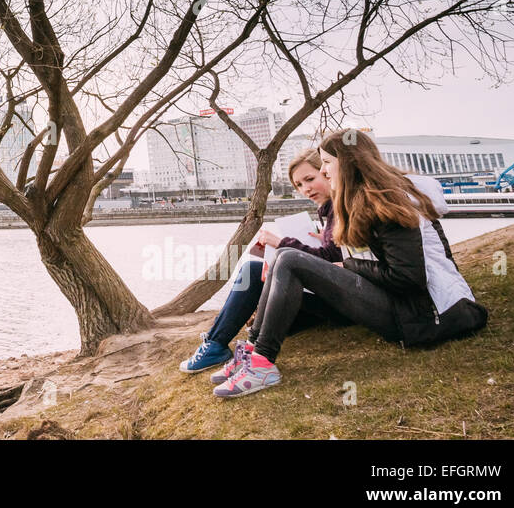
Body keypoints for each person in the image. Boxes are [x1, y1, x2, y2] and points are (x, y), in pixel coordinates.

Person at [213, 129, 488, 398]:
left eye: (327, 164)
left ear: (349, 163)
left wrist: (350, 265)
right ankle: (253, 352)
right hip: (405, 306)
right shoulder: (364, 202)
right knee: (286, 257)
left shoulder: (388, 203)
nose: (324, 173)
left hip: (427, 317)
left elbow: (408, 278)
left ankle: (262, 362)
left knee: (290, 258)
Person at [179, 149, 344, 374]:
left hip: (339, 303)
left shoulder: (340, 209)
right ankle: (216, 341)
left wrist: (281, 242)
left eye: (310, 179)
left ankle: (216, 344)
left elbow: (332, 262)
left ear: (326, 172)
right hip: (327, 295)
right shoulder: (328, 210)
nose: (306, 189)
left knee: (252, 270)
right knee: (255, 269)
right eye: (299, 185)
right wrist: (320, 239)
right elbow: (334, 256)